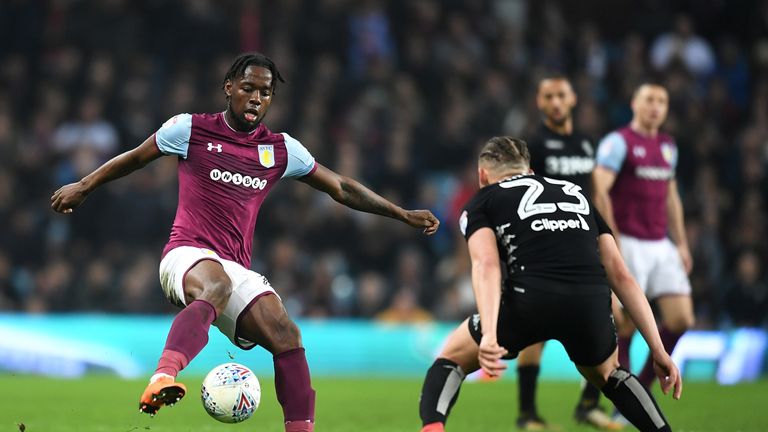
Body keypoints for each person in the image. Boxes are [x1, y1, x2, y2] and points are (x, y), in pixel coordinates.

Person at [50, 52, 440, 432]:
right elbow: (136, 158)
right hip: (185, 252)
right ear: (228, 87)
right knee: (215, 283)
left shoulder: (281, 150)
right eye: (248, 88)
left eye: (266, 92)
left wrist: (400, 214)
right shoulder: (189, 129)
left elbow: (341, 188)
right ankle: (162, 376)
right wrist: (84, 186)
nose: (256, 98)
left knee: (287, 335)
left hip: (233, 267)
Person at [418, 136, 682, 432]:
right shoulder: (577, 195)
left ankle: (432, 429)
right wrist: (658, 350)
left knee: (451, 358)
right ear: (529, 170)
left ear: (483, 176)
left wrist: (490, 334)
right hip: (591, 302)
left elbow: (486, 265)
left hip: (531, 299)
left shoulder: (484, 199)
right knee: (610, 374)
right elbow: (620, 274)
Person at [516, 76, 622, 430]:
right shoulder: (533, 144)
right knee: (537, 330)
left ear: (573, 98)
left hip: (582, 240)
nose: (556, 102)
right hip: (544, 242)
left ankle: (588, 404)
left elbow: (592, 193)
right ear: (539, 101)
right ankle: (527, 413)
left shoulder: (586, 143)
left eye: (561, 95)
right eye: (549, 96)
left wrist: (605, 231)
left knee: (610, 318)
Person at [592, 83, 695, 409]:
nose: (655, 106)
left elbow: (671, 195)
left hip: (660, 242)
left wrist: (681, 243)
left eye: (662, 101)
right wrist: (613, 236)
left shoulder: (667, 146)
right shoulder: (618, 142)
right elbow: (599, 188)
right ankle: (627, 400)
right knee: (624, 322)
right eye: (649, 100)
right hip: (629, 241)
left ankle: (643, 385)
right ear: (635, 104)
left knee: (681, 319)